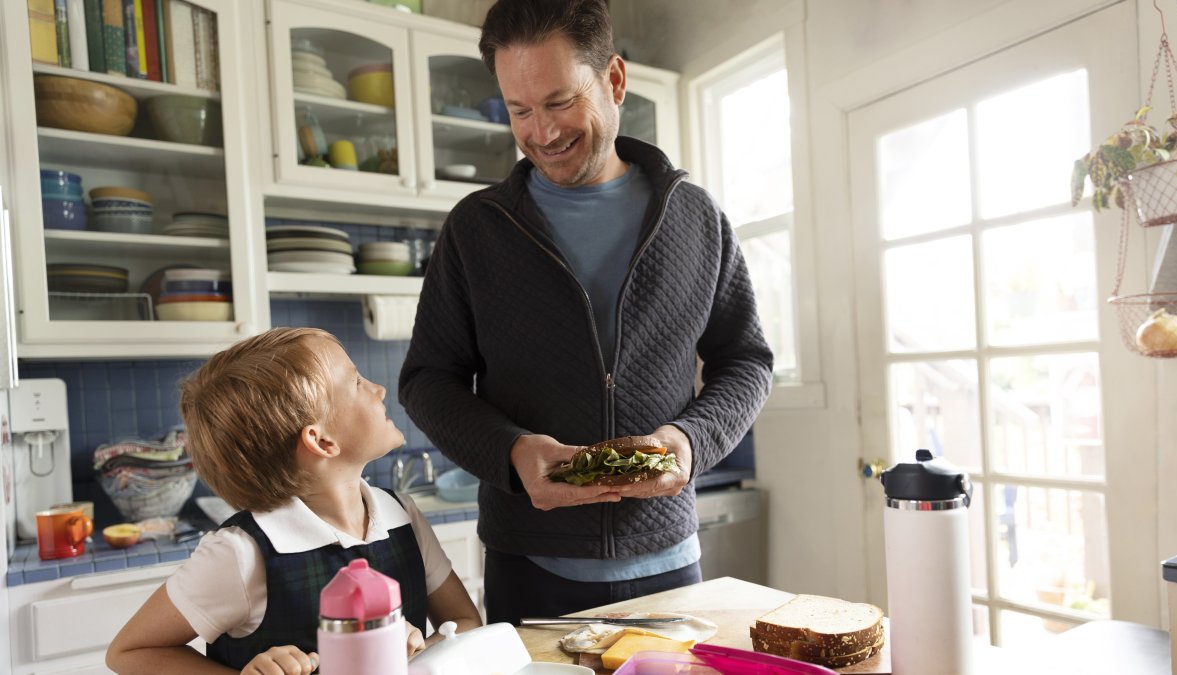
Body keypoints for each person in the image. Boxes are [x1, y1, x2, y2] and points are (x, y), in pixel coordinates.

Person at [397, 0, 773, 625]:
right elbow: (426, 380)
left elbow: (747, 361)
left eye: (559, 102)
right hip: (528, 567)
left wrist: (687, 440)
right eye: (519, 110)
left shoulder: (696, 218)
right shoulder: (477, 229)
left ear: (615, 81)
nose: (542, 133)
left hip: (670, 564)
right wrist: (513, 453)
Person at [107, 327, 481, 674]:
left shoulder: (401, 514)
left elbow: (465, 623)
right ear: (321, 441)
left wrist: (415, 656)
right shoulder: (241, 552)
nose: (378, 389)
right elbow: (129, 652)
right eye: (356, 382)